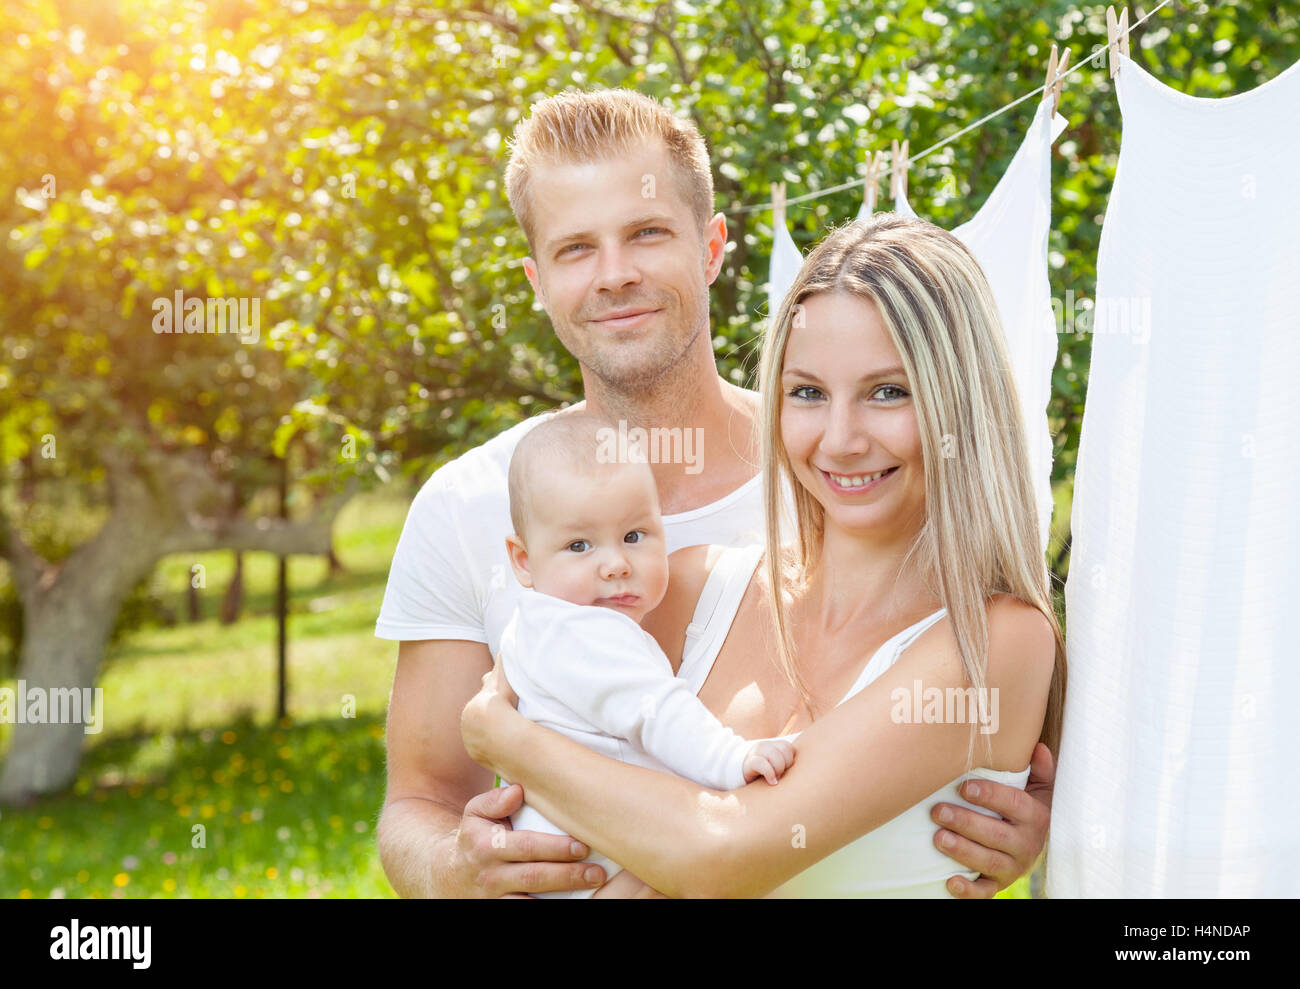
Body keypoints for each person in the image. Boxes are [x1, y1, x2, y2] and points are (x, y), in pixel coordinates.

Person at [375, 87, 1054, 898]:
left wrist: (1024, 814)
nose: (616, 274)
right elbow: (426, 799)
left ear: (712, 247)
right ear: (536, 278)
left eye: (647, 232)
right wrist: (458, 866)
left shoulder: (938, 595)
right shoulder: (661, 568)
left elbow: (721, 843)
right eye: (577, 248)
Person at [498, 412, 795, 897]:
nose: (615, 564)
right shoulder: (585, 634)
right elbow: (655, 711)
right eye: (579, 545)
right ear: (524, 561)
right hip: (592, 860)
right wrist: (732, 757)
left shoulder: (535, 627)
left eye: (634, 537)